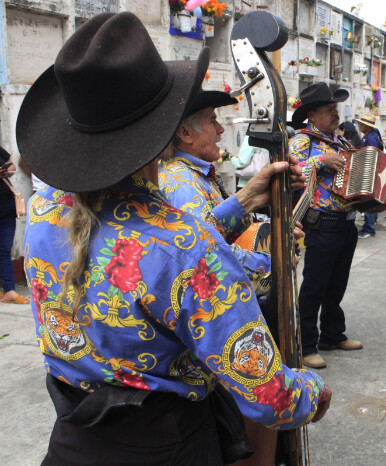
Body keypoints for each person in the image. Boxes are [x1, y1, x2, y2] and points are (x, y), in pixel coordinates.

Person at [16, 13, 330, 464]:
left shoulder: (46, 210)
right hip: (166, 445)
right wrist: (314, 391)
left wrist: (240, 203)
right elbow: (272, 397)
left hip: (73, 440)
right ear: (168, 131)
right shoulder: (182, 244)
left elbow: (151, 260)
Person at [158, 91, 307, 466]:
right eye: (211, 119)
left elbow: (210, 234)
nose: (221, 128)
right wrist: (271, 258)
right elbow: (202, 258)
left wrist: (263, 218)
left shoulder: (198, 176)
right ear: (185, 134)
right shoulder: (181, 182)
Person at [289, 82, 363, 370]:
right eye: (329, 109)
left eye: (336, 109)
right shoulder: (303, 141)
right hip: (322, 224)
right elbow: (291, 171)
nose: (335, 114)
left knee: (336, 285)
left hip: (346, 223)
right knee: (314, 286)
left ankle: (333, 334)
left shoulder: (343, 142)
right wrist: (322, 160)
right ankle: (306, 345)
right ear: (312, 115)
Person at [0, 146, 29, 304]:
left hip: (6, 205)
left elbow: (11, 165)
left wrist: (5, 171)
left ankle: (9, 290)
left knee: (4, 250)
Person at [355, 113, 384, 238]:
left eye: (362, 124)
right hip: (369, 171)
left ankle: (369, 228)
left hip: (369, 172)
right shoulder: (369, 136)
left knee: (368, 201)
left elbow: (370, 157)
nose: (360, 126)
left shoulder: (370, 138)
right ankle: (370, 224)